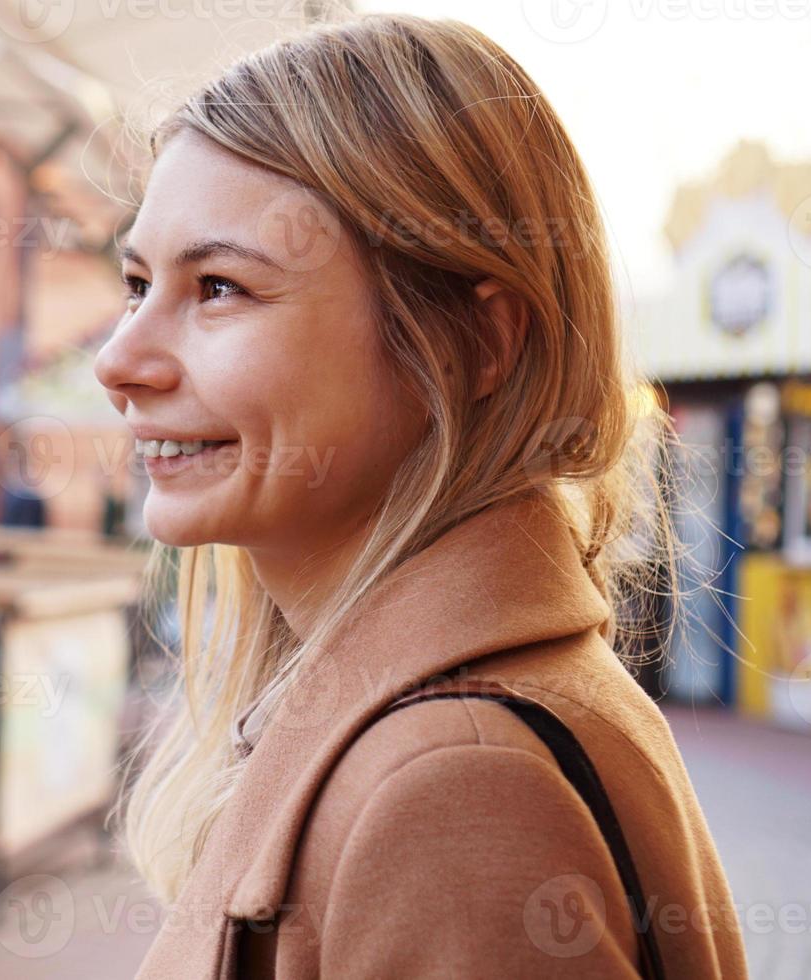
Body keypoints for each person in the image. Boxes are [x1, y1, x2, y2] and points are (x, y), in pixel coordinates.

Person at [95, 14, 746, 977]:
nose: (120, 361)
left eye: (221, 287)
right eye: (138, 283)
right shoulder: (426, 727)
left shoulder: (454, 785)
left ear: (475, 345)